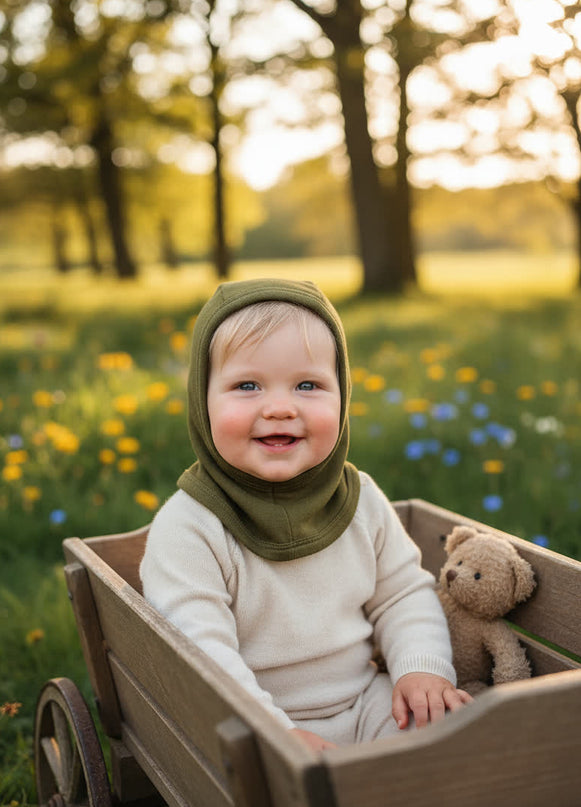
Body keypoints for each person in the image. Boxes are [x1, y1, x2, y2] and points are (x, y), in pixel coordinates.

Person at [139, 278, 471, 752]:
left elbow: (402, 594)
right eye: (247, 385)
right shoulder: (190, 527)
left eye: (308, 385)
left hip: (363, 702)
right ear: (201, 401)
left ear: (343, 395)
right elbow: (202, 649)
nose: (279, 408)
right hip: (249, 728)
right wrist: (273, 731)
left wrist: (421, 668)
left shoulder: (360, 501)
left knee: (447, 739)